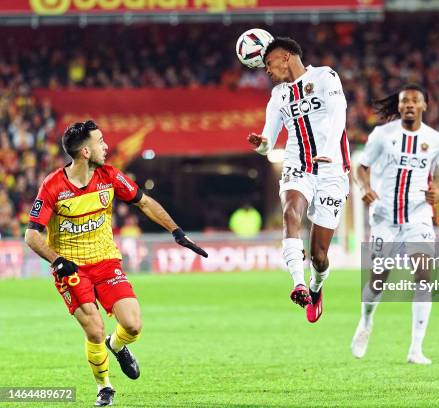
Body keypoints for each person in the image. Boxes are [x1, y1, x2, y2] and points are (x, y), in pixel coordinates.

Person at [24, 120, 208, 406]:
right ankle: (104, 387)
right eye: (100, 141)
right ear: (85, 152)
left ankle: (117, 345)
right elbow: (32, 235)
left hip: (106, 262)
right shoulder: (53, 186)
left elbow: (144, 203)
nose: (106, 146)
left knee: (133, 325)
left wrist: (176, 232)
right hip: (71, 268)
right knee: (94, 329)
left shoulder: (110, 176)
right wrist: (57, 260)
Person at [350, 84, 439, 364]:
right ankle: (366, 322)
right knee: (378, 278)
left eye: (414, 100)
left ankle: (416, 348)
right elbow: (361, 168)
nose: (409, 104)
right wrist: (363, 188)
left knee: (423, 275)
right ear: (398, 107)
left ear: (424, 106)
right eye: (404, 101)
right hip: (384, 216)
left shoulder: (436, 140)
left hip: (418, 216)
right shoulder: (382, 135)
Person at [247, 37, 351, 323]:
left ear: (287, 56)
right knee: (290, 212)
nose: (266, 70)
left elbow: (339, 114)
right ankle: (298, 283)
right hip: (298, 166)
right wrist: (261, 144)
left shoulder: (325, 76)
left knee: (319, 255)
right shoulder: (278, 96)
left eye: (269, 63)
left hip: (333, 171)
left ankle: (316, 287)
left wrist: (329, 152)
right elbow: (269, 141)